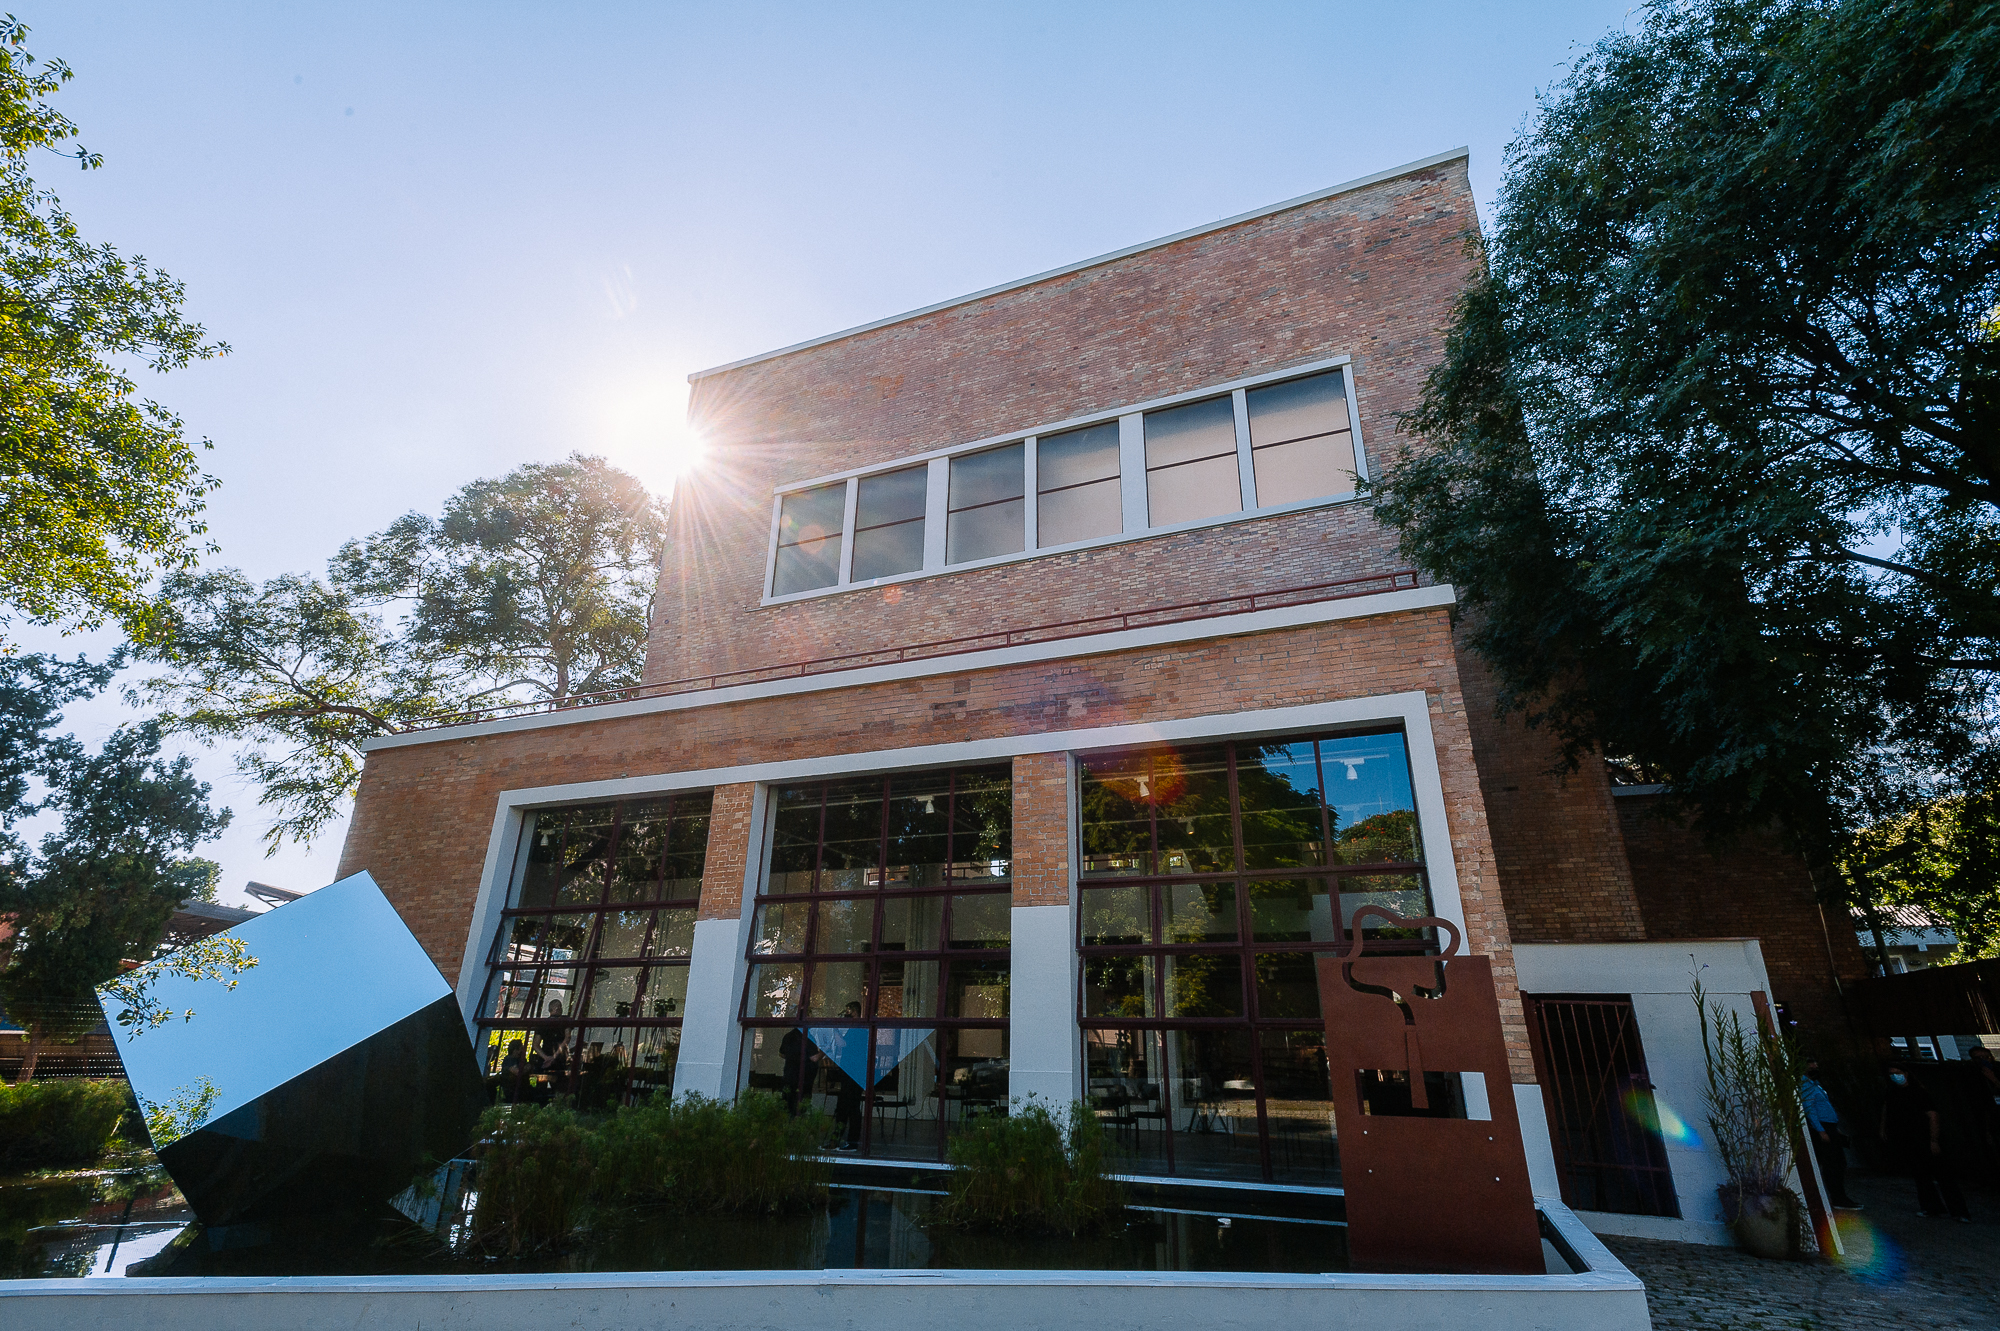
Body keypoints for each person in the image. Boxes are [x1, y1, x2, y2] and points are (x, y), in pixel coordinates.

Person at [1879, 1061, 1971, 1220]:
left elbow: (1933, 1116)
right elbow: (1886, 1110)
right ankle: (1931, 1207)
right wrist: (1883, 1128)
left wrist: (1933, 1140)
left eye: (1897, 1072)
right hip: (1909, 1140)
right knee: (1921, 1176)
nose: (1894, 1076)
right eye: (1891, 1074)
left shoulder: (1919, 1093)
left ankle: (1959, 1211)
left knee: (1943, 1175)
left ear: (1905, 1073)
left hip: (1925, 1138)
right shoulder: (1892, 1092)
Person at [1800, 1060, 1859, 1209]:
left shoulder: (1815, 1084)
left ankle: (1840, 1196)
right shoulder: (1805, 1085)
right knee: (1833, 1163)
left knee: (1839, 1162)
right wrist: (1821, 1130)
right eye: (1811, 1064)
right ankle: (1838, 1198)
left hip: (1830, 1126)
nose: (1815, 1066)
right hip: (1823, 1127)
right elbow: (1810, 1109)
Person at [829, 1001, 866, 1151]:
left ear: (854, 1011)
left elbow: (842, 1044)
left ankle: (851, 1142)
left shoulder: (859, 1029)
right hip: (850, 1072)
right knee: (844, 1107)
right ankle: (838, 1140)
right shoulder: (858, 1028)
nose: (846, 1013)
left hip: (853, 1073)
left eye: (848, 1011)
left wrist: (836, 1030)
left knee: (851, 1107)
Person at [778, 1007, 819, 1116]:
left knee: (788, 1107)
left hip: (789, 1076)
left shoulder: (788, 1036)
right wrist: (826, 1051)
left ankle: (788, 1129)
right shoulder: (808, 1037)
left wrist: (792, 1057)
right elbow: (814, 1058)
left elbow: (781, 1053)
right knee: (801, 1108)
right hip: (803, 1079)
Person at [497, 1038, 530, 1104]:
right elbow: (517, 1072)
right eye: (521, 1049)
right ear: (515, 1050)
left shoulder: (520, 1060)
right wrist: (525, 1069)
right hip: (512, 1091)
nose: (523, 1051)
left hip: (522, 1089)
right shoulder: (509, 1060)